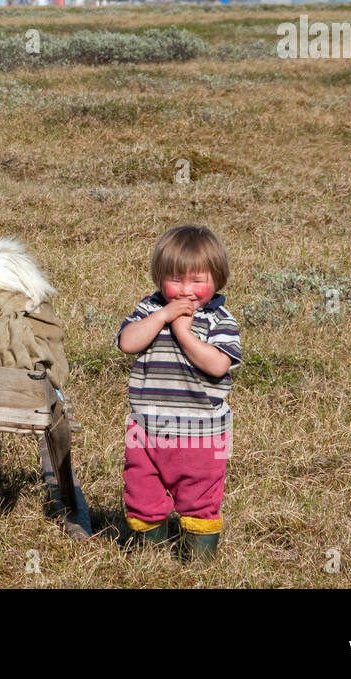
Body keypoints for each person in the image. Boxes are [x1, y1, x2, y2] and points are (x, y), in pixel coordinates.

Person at [115, 224, 242, 560]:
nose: (186, 290)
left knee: (200, 500)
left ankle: (199, 563)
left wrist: (184, 333)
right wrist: (163, 316)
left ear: (217, 278)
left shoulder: (219, 320)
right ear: (159, 278)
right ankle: (151, 558)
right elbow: (128, 342)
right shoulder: (150, 309)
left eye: (197, 280)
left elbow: (217, 366)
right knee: (141, 493)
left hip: (202, 434)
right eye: (175, 279)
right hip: (145, 430)